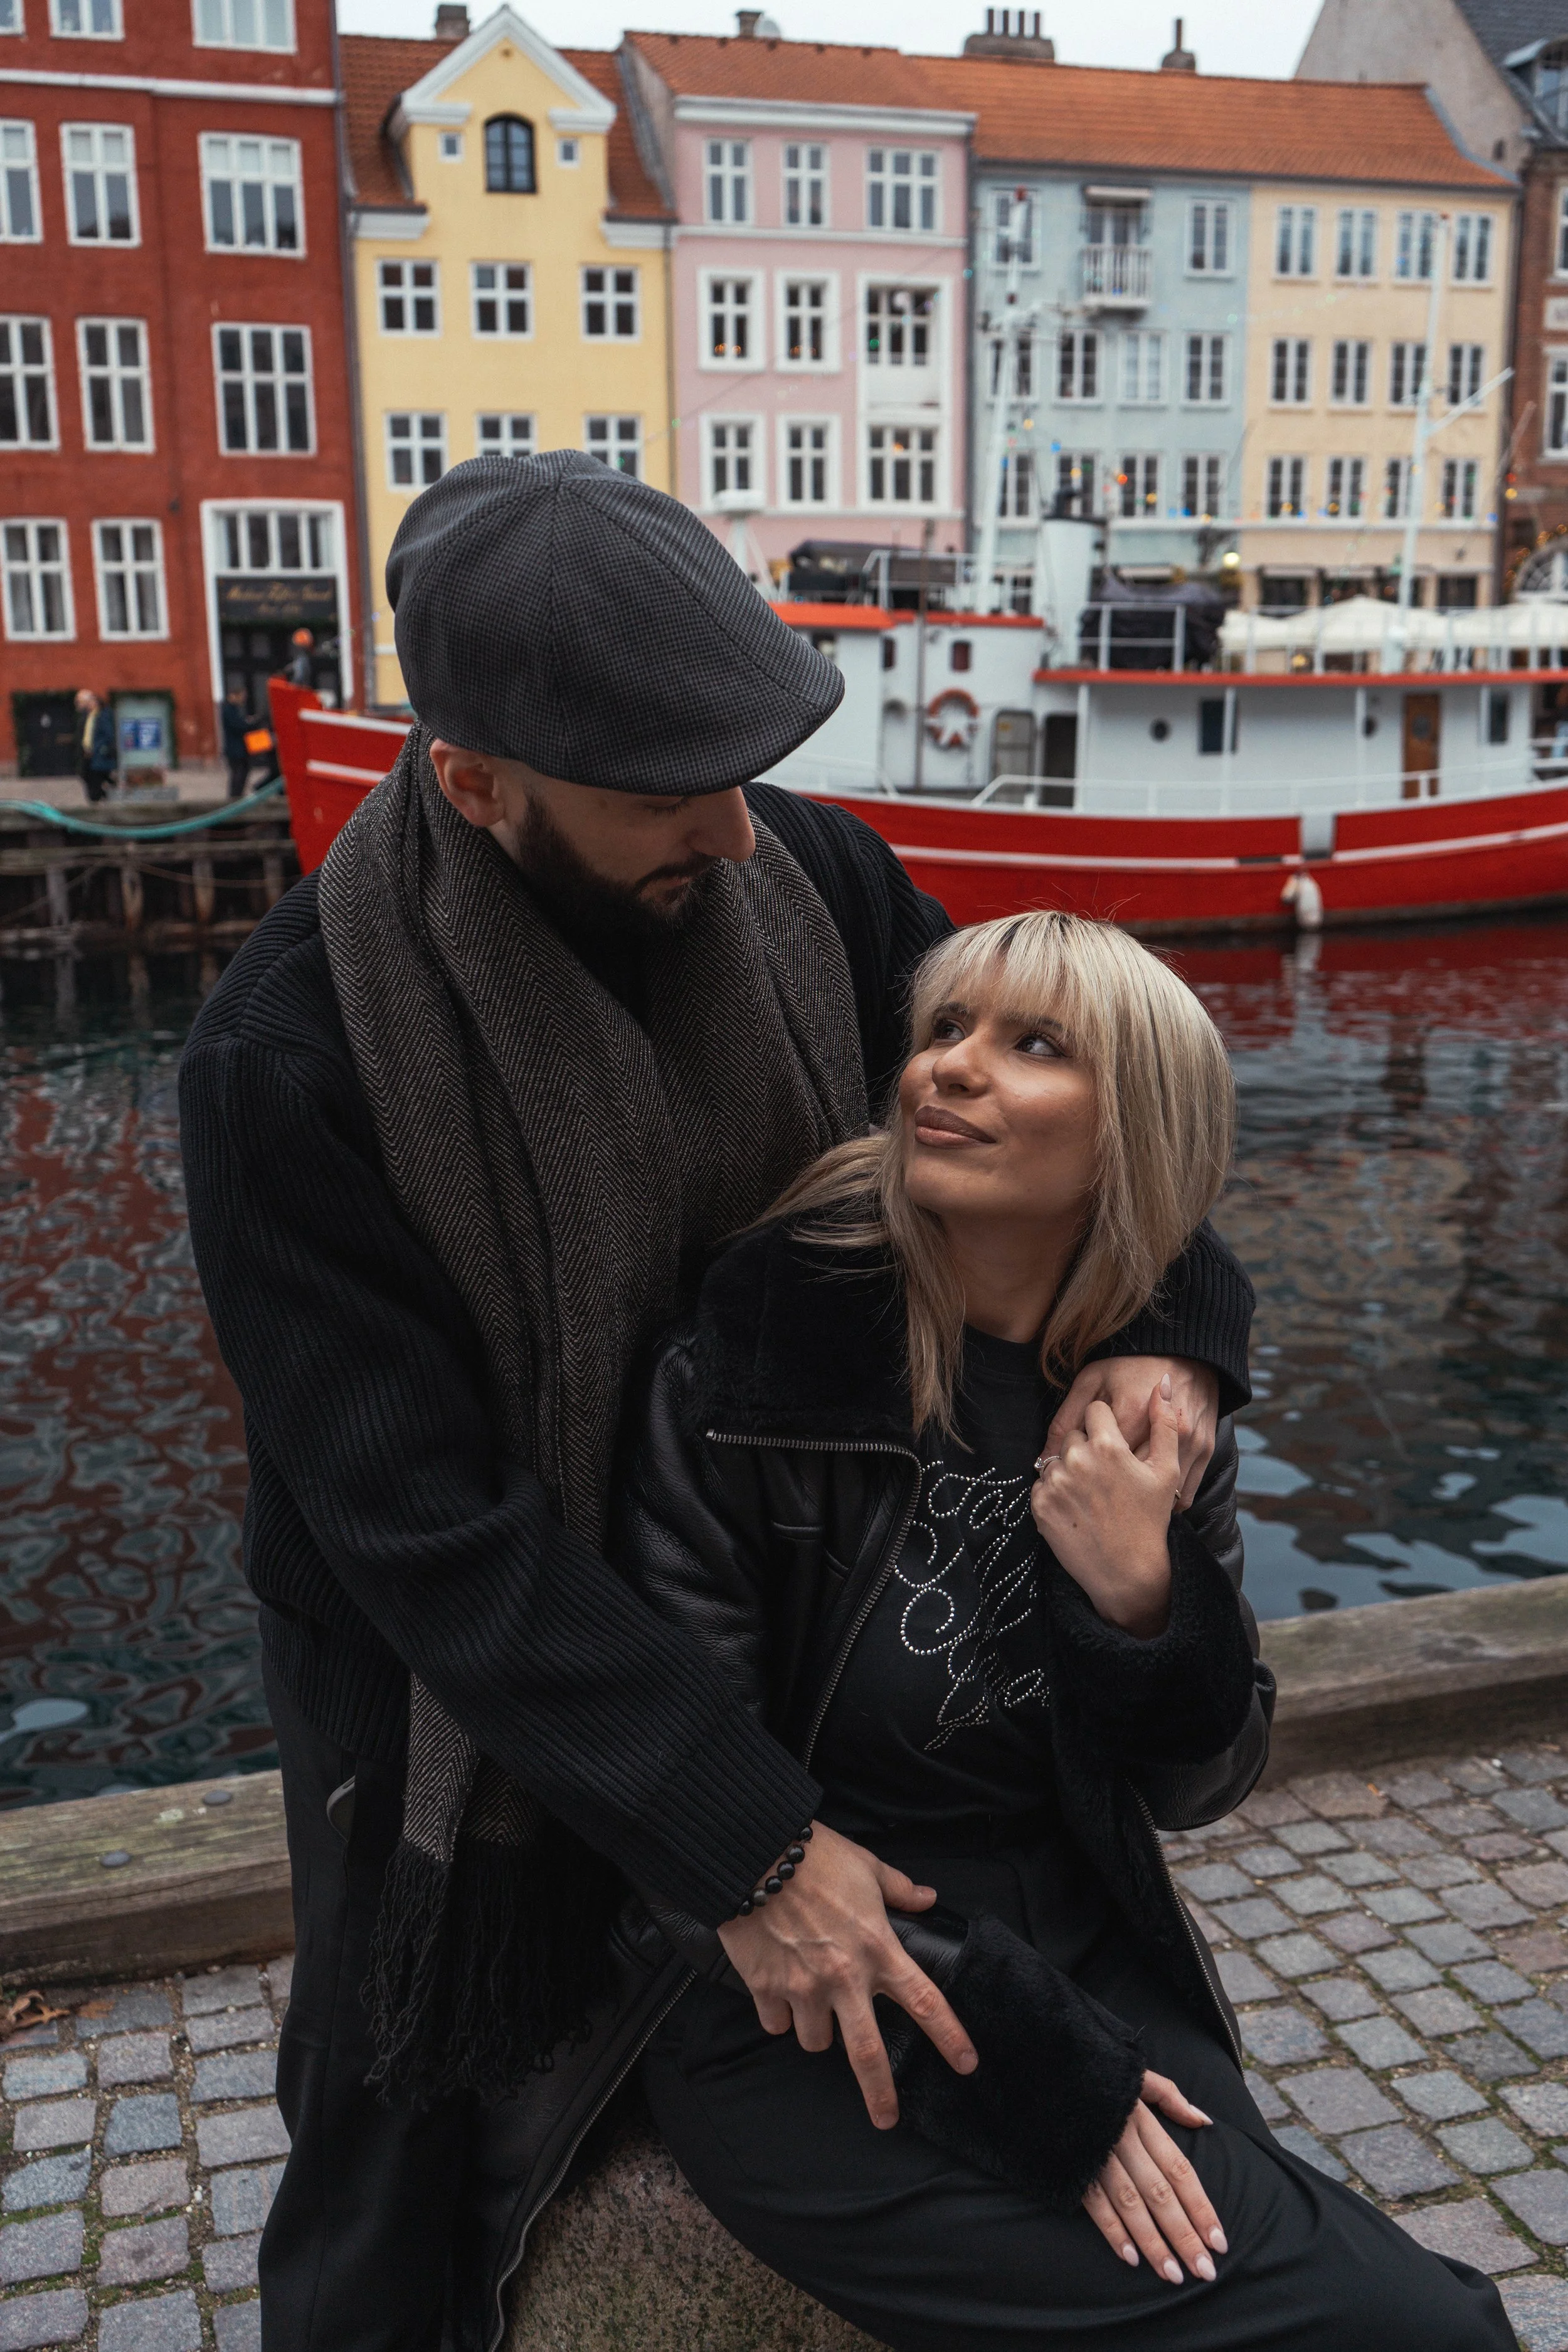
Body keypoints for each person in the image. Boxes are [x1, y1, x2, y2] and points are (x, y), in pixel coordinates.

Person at [179, 450, 1255, 2352]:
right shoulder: (295, 1054)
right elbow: (421, 1522)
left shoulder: (808, 873)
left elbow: (1080, 1100)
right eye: (665, 791)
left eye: (737, 770)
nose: (735, 834)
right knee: (388, 2118)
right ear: (475, 781)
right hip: (435, 1657)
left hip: (765, 1579)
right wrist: (743, 1839)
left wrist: (1170, 1315)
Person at [612, 909, 1516, 2352]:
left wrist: (1143, 1597)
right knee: (1415, 2329)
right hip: (813, 1996)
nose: (951, 1068)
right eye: (944, 1030)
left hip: (1076, 1934)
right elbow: (672, 1778)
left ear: (1131, 1132)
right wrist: (1045, 2085)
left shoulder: (1146, 1407)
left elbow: (1199, 1781)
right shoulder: (756, 1369)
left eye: (1032, 1044)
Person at [75, 687, 116, 803]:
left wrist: (103, 748)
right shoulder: (90, 716)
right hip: (89, 754)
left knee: (97, 778)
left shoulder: (103, 715)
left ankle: (100, 796)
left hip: (98, 753)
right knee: (89, 777)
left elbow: (108, 734)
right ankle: (101, 795)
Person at [221, 686, 255, 801]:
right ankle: (235, 796)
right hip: (235, 749)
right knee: (238, 773)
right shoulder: (229, 710)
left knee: (243, 771)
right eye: (242, 696)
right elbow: (238, 726)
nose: (243, 699)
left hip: (240, 748)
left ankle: (238, 795)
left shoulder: (234, 710)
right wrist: (249, 724)